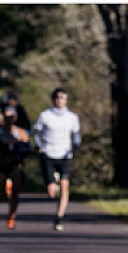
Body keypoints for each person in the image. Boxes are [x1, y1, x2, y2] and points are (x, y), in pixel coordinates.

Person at [32, 88, 81, 232]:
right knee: (52, 192)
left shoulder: (72, 117)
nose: (60, 100)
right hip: (49, 154)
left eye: (63, 98)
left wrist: (76, 146)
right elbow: (36, 133)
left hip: (64, 155)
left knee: (65, 187)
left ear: (66, 100)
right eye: (58, 98)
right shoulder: (45, 115)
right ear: (53, 99)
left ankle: (59, 217)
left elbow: (76, 134)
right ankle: (54, 182)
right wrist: (39, 146)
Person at [0, 106, 31, 229]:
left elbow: (27, 148)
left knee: (16, 192)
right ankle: (5, 191)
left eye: (11, 117)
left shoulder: (20, 133)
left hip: (15, 164)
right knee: (1, 194)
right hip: (2, 164)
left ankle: (11, 216)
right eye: (6, 117)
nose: (9, 120)